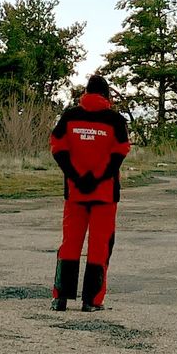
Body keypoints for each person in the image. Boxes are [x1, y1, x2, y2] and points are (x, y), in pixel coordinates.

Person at [48, 75, 131, 312]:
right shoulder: (115, 120)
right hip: (104, 195)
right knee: (99, 246)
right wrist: (97, 178)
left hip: (75, 193)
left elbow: (58, 148)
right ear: (107, 95)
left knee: (70, 244)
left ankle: (60, 298)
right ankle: (91, 301)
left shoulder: (70, 116)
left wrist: (76, 177)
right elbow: (120, 153)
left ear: (86, 92)